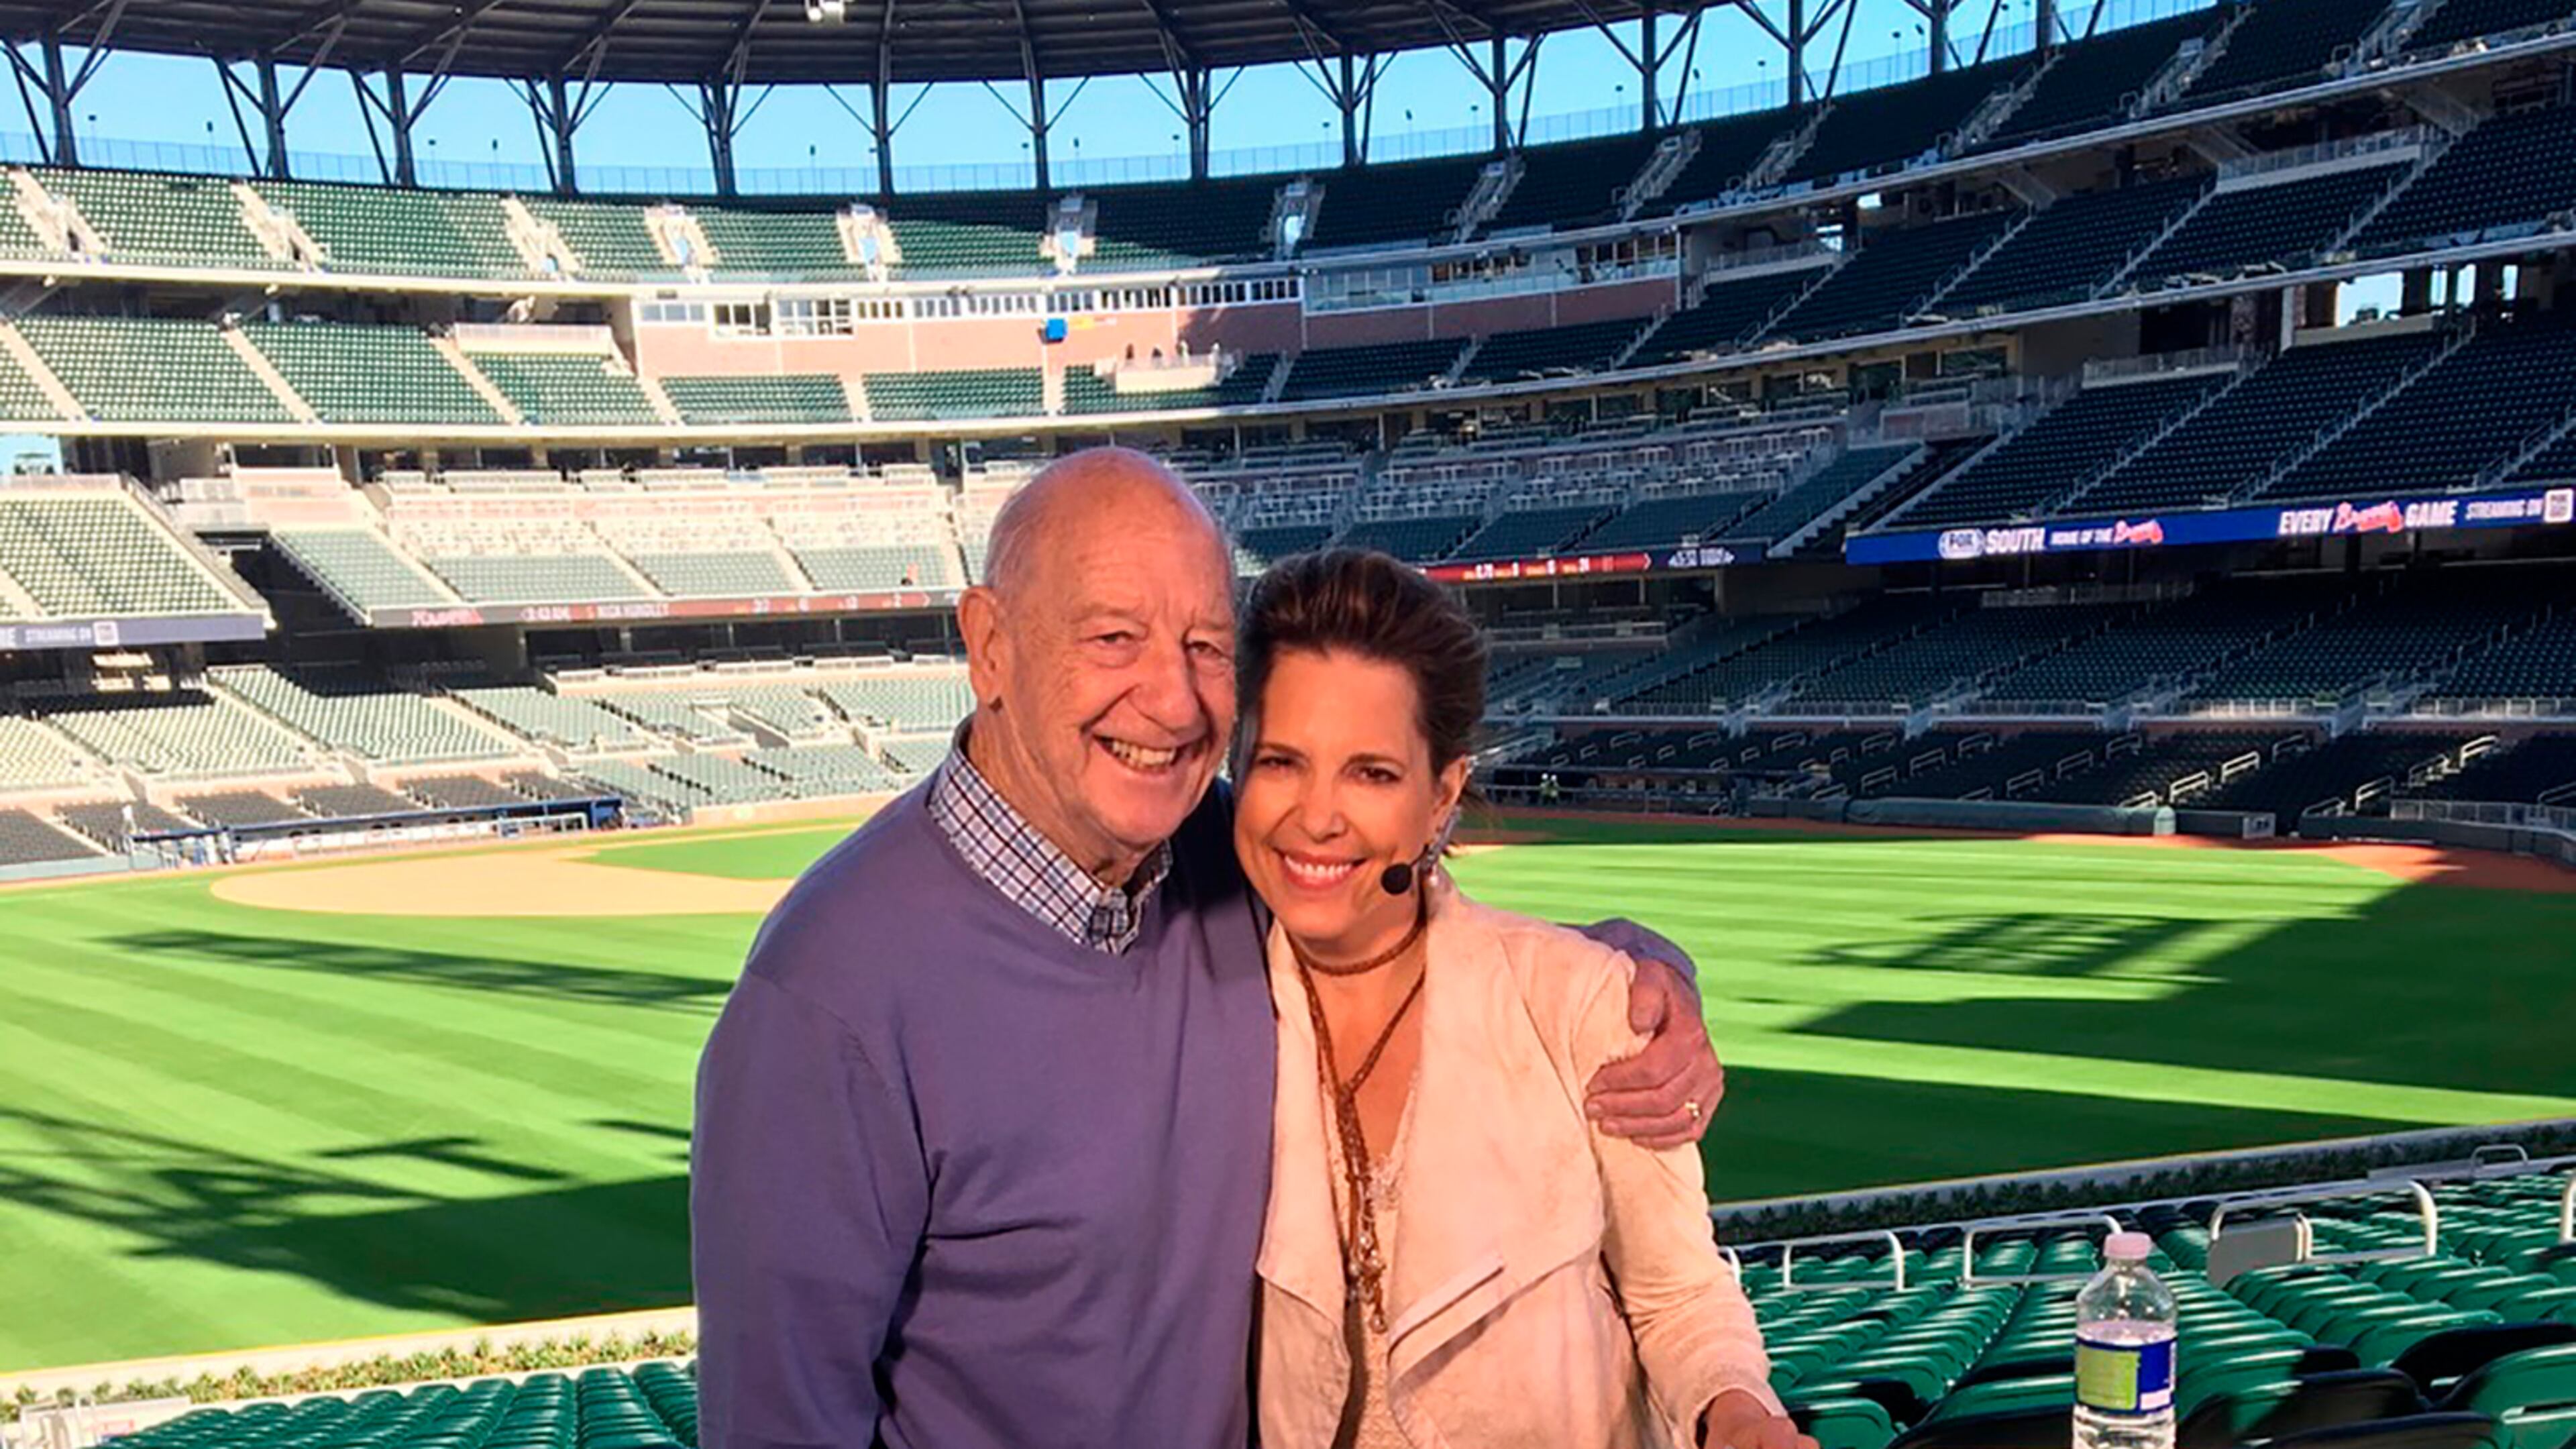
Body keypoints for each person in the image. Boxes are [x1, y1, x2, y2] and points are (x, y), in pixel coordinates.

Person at [691, 449, 1728, 1449]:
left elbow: (1405, 911)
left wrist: (1637, 976)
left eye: (1205, 647)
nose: (1176, 702)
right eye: (1114, 639)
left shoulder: (1224, 864)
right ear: (991, 648)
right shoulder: (825, 998)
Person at [1237, 549, 1807, 1449]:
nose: (1316, 815)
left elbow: (1678, 1297)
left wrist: (1735, 1414)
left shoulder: (1578, 1002)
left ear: (1442, 797)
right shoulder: (1199, 1015)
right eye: (1281, 761)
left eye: (1372, 773)